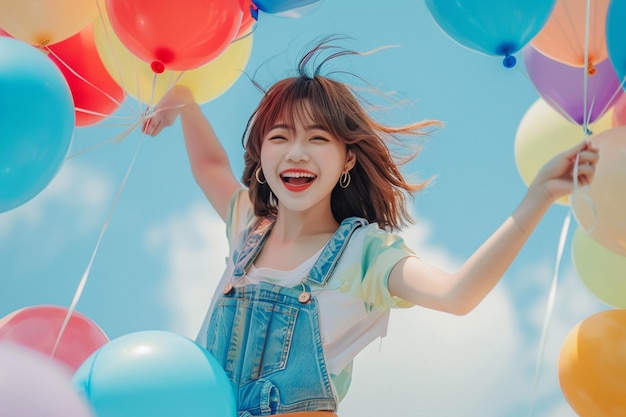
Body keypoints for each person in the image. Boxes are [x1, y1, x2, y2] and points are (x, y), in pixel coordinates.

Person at [142, 37, 599, 417]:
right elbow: (208, 165)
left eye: (317, 138)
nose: (296, 152)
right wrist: (185, 101)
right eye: (279, 137)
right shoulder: (248, 227)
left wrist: (538, 197)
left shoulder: (364, 252)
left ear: (348, 160)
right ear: (261, 156)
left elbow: (456, 295)